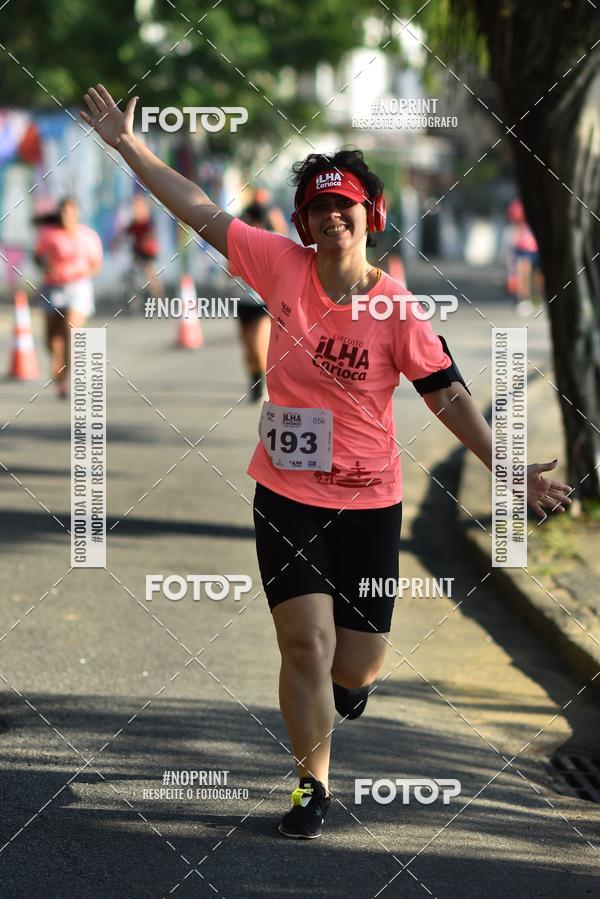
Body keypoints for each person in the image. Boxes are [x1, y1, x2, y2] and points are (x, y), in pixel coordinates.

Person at [81, 85, 573, 839]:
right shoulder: (279, 265)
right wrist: (127, 145)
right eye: (316, 208)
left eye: (343, 205)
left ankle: (348, 690)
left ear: (371, 215)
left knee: (355, 666)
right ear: (302, 222)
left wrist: (508, 468)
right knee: (304, 643)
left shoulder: (398, 308)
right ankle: (311, 786)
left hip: (369, 501)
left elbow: (447, 397)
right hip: (286, 492)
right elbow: (200, 210)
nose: (330, 217)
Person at [34, 196, 103, 397]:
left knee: (70, 330)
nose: (67, 216)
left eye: (71, 212)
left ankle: (64, 377)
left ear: (77, 213)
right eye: (63, 212)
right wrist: (46, 266)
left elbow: (96, 265)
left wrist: (82, 272)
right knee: (52, 338)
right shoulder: (49, 235)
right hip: (52, 288)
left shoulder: (88, 236)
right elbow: (38, 257)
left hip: (78, 288)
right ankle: (57, 361)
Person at [237, 200, 272, 402]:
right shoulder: (240, 243)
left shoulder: (272, 243)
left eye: (250, 221)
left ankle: (265, 383)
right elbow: (229, 271)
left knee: (259, 347)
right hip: (243, 302)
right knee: (249, 349)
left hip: (262, 304)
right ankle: (255, 381)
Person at [112, 192, 162, 299]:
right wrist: (116, 241)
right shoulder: (134, 223)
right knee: (134, 271)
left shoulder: (146, 223)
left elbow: (150, 235)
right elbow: (125, 233)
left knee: (150, 273)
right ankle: (136, 294)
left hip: (147, 252)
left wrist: (146, 239)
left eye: (137, 206)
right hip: (138, 251)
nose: (135, 209)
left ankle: (158, 296)